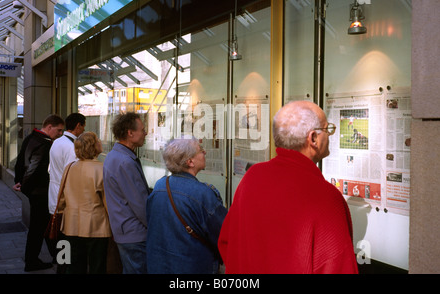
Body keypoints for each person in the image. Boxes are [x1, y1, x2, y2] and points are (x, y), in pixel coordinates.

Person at [218, 101, 358, 274]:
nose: (330, 135)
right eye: (327, 129)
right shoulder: (327, 198)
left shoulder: (252, 177)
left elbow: (226, 242)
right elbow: (339, 267)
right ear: (313, 138)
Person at [146, 138, 227, 274]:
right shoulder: (203, 194)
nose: (205, 152)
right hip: (193, 266)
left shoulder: (160, 186)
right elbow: (224, 232)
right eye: (201, 151)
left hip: (159, 264)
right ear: (190, 162)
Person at [13, 114, 65, 272]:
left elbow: (20, 162)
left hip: (35, 191)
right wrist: (25, 186)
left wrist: (19, 181)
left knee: (44, 225)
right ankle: (33, 261)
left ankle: (57, 256)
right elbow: (33, 168)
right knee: (39, 228)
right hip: (40, 192)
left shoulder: (31, 138)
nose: (60, 134)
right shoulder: (45, 144)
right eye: (59, 130)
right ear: (49, 127)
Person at [57, 132, 111, 274]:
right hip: (96, 225)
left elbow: (61, 198)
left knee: (73, 265)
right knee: (97, 266)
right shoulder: (101, 169)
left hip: (71, 224)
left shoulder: (69, 167)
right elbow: (108, 202)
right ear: (94, 146)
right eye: (98, 140)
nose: (101, 142)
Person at [103, 112, 150, 274]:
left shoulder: (115, 156)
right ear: (130, 133)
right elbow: (139, 204)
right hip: (134, 234)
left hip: (125, 230)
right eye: (142, 130)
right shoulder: (125, 162)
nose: (146, 133)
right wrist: (154, 227)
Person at [48, 113, 86, 215]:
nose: (84, 130)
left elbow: (50, 169)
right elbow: (72, 177)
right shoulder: (71, 147)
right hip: (64, 201)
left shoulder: (57, 142)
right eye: (83, 127)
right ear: (78, 126)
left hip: (54, 196)